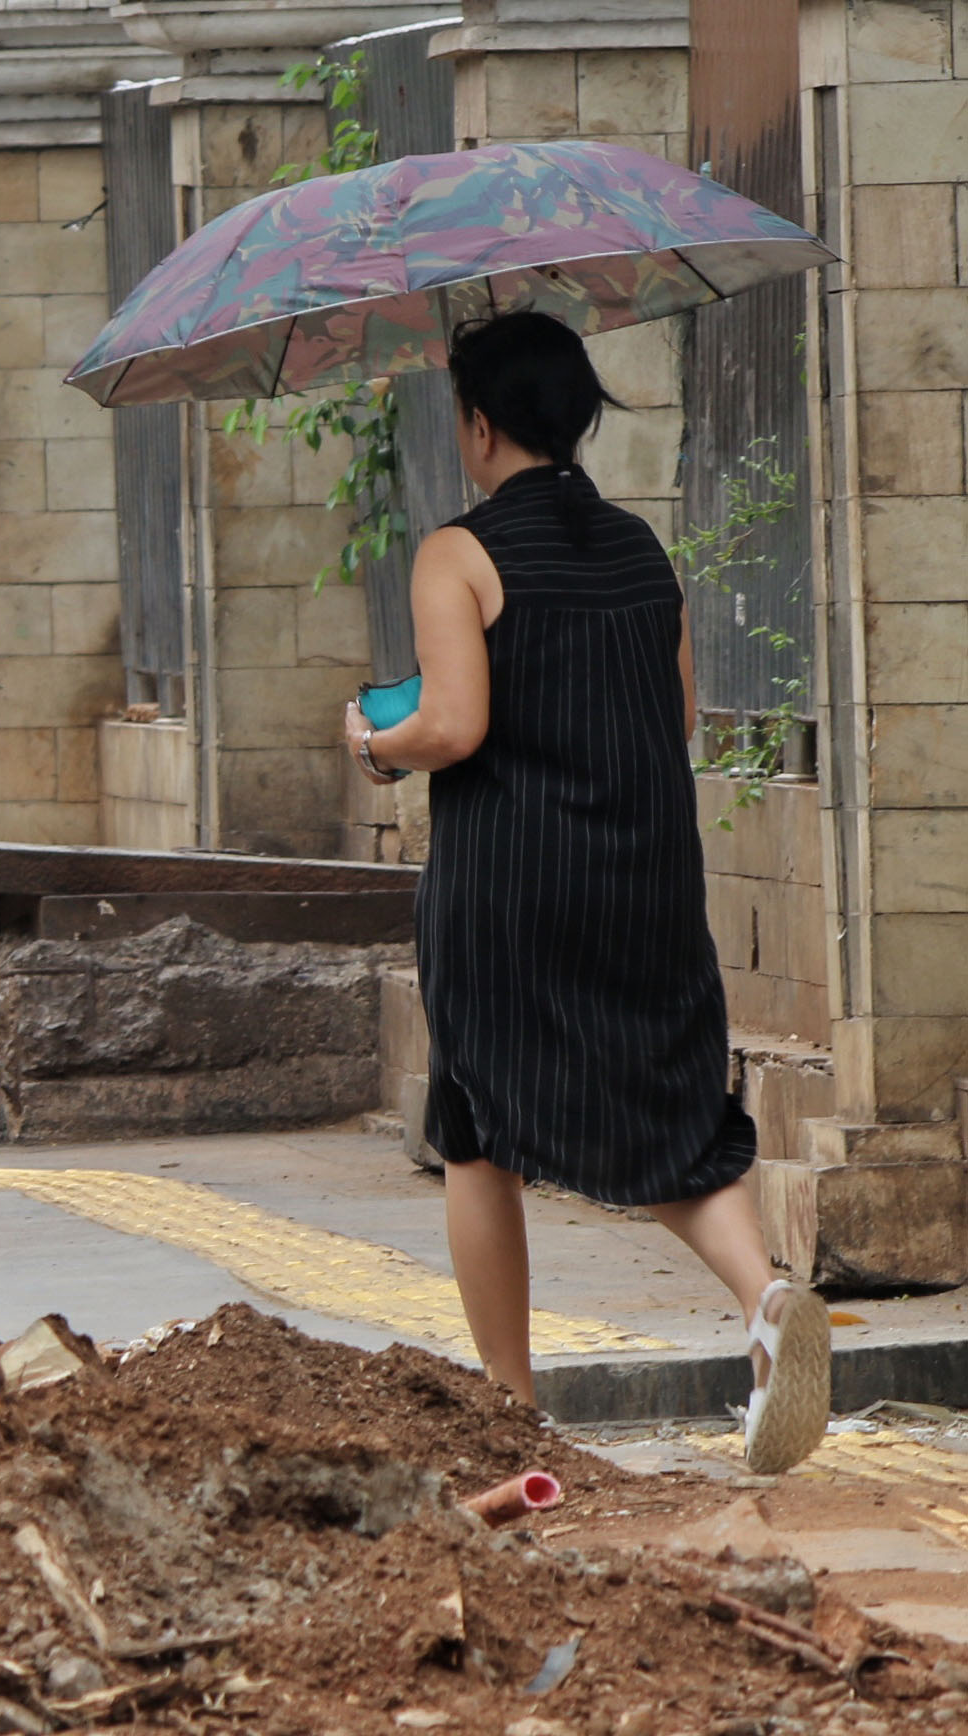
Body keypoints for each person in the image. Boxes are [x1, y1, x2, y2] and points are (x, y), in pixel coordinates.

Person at [345, 310, 830, 1475]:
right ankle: (766, 1298)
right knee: (666, 1120)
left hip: (510, 884)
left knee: (476, 1131)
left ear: (476, 424)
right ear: (577, 420)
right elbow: (678, 726)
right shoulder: (640, 552)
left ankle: (512, 1412)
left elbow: (456, 724)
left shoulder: (457, 555)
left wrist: (374, 741)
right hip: (645, 880)